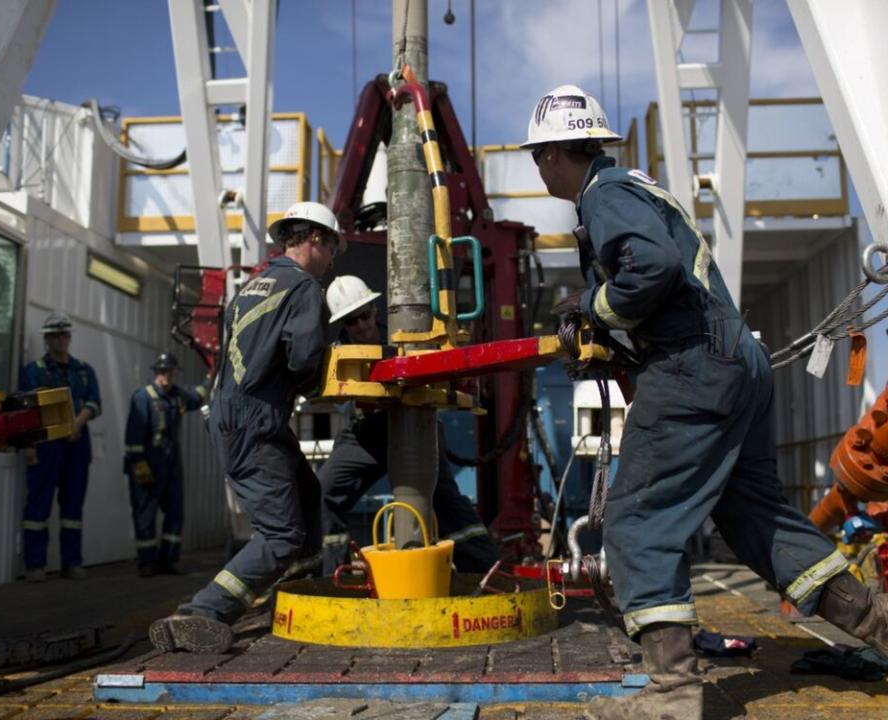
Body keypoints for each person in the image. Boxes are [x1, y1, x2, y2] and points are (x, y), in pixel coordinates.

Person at [522, 85, 888, 719]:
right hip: (736, 360)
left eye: (538, 156)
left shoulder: (604, 194)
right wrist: (609, 329)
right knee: (757, 520)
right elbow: (667, 277)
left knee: (637, 519)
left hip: (692, 367)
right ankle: (881, 626)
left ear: (555, 153)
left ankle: (672, 697)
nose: (538, 168)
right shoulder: (639, 187)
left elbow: (652, 270)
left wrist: (588, 308)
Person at [149, 201, 342, 654]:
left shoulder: (253, 286)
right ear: (314, 238)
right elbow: (302, 357)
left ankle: (293, 594)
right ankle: (203, 611)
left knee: (308, 495)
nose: (334, 259)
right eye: (333, 247)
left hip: (241, 414)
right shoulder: (305, 290)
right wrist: (321, 383)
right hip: (255, 420)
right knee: (280, 534)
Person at [318, 275, 498, 574]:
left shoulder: (402, 335)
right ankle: (330, 576)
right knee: (323, 491)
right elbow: (334, 396)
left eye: (364, 315)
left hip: (415, 425)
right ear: (343, 324)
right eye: (351, 321)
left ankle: (485, 570)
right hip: (365, 435)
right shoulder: (338, 352)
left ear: (375, 310)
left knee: (444, 498)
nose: (361, 325)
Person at [19, 311, 101, 582]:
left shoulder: (84, 370)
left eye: (65, 334)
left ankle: (72, 563)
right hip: (46, 445)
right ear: (47, 338)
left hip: (76, 444)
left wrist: (75, 424)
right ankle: (35, 566)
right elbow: (27, 410)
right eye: (55, 335)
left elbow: (94, 403)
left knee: (73, 507)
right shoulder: (34, 371)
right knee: (38, 506)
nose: (61, 339)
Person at [124, 352, 210, 577]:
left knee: (174, 511)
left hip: (171, 463)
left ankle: (168, 561)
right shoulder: (142, 397)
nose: (166, 376)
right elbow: (133, 435)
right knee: (145, 514)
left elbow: (196, 399)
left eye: (170, 372)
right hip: (148, 463)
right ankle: (147, 563)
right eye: (162, 372)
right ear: (156, 373)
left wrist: (210, 377)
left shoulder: (177, 396)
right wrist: (139, 465)